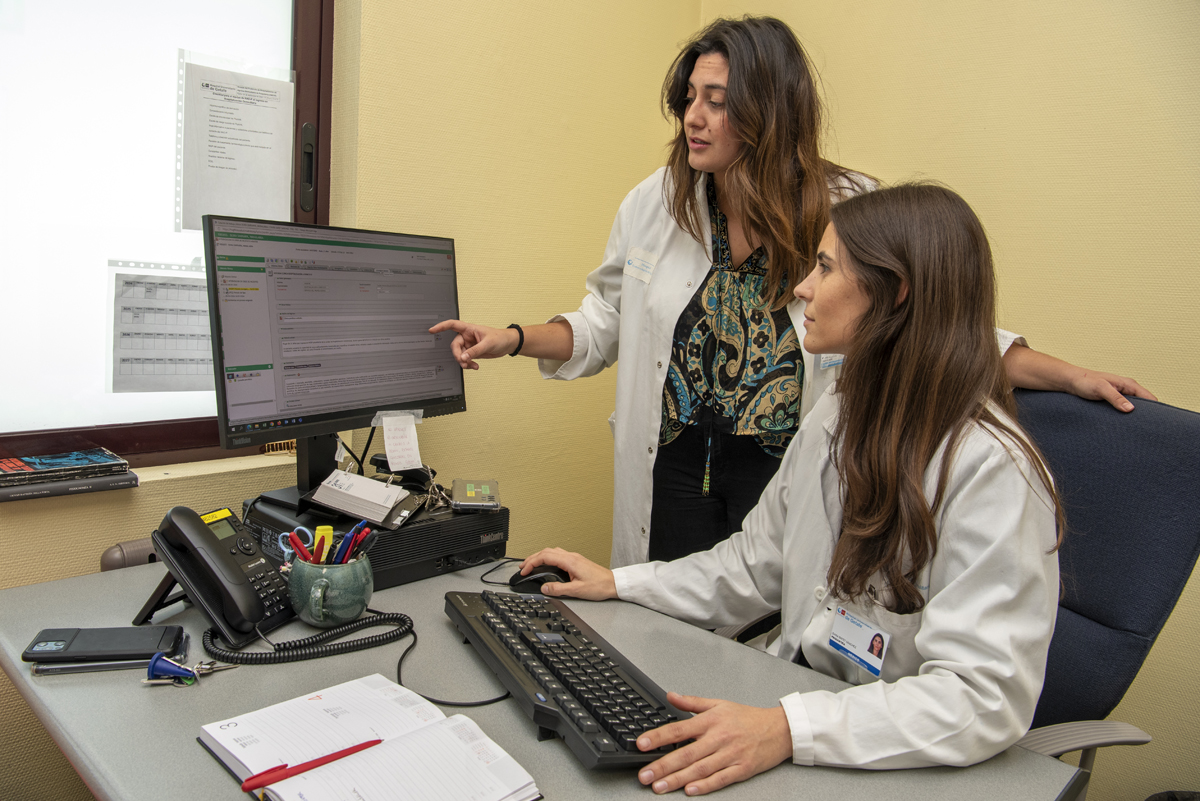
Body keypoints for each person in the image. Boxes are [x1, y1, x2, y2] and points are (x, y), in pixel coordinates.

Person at [431, 16, 1152, 569]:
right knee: (664, 623)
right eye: (689, 99)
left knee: (770, 630)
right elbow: (604, 319)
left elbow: (934, 331)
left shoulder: (851, 209)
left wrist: (1067, 375)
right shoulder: (658, 202)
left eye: (717, 101)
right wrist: (514, 339)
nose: (694, 117)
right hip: (673, 460)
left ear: (769, 110)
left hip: (787, 464)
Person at [518, 183, 1066, 792]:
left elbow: (982, 697)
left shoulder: (992, 469)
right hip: (807, 708)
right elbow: (753, 565)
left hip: (892, 757)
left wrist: (789, 729)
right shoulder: (838, 414)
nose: (801, 286)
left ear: (896, 292)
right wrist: (617, 582)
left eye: (825, 268)